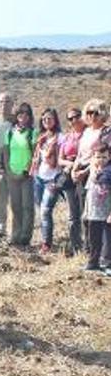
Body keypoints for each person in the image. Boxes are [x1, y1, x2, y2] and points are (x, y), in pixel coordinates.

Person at [73, 99, 111, 261]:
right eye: (88, 113)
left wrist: (85, 171)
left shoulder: (106, 132)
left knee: (101, 217)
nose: (91, 116)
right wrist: (75, 169)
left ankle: (104, 254)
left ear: (102, 114)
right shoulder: (87, 132)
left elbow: (101, 157)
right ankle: (90, 251)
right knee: (86, 215)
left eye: (94, 112)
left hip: (98, 175)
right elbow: (81, 154)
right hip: (82, 175)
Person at [4, 103, 36, 246]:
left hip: (26, 176)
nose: (23, 116)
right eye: (20, 114)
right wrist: (9, 172)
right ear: (16, 116)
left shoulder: (32, 133)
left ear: (30, 116)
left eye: (26, 114)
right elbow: (6, 154)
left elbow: (35, 155)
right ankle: (15, 235)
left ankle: (25, 236)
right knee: (15, 206)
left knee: (27, 206)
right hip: (12, 175)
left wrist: (27, 170)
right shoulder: (9, 133)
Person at [30, 109, 62, 253]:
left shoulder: (60, 138)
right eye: (44, 119)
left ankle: (46, 244)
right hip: (39, 177)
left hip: (53, 178)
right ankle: (45, 240)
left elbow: (60, 159)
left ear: (55, 120)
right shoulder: (41, 138)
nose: (47, 121)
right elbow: (37, 158)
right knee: (41, 210)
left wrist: (60, 179)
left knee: (45, 210)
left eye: (50, 118)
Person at [59, 107, 85, 253]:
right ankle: (76, 246)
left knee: (85, 212)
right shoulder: (68, 137)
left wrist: (77, 165)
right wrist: (70, 164)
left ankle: (89, 245)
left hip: (84, 175)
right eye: (70, 118)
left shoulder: (88, 134)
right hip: (69, 177)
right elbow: (60, 159)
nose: (74, 120)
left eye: (77, 116)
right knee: (73, 214)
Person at [83, 144, 111, 273]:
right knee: (94, 238)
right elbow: (89, 191)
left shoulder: (108, 171)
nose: (101, 159)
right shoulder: (92, 171)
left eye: (104, 157)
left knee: (108, 239)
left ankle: (107, 264)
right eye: (98, 157)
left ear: (109, 156)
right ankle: (93, 262)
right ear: (93, 157)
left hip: (106, 212)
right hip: (93, 211)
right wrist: (86, 211)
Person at [0, 92, 15, 237]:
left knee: (16, 202)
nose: (4, 104)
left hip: (15, 169)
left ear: (12, 104)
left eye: (7, 101)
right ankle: (0, 231)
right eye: (1, 102)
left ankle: (15, 231)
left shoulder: (17, 122)